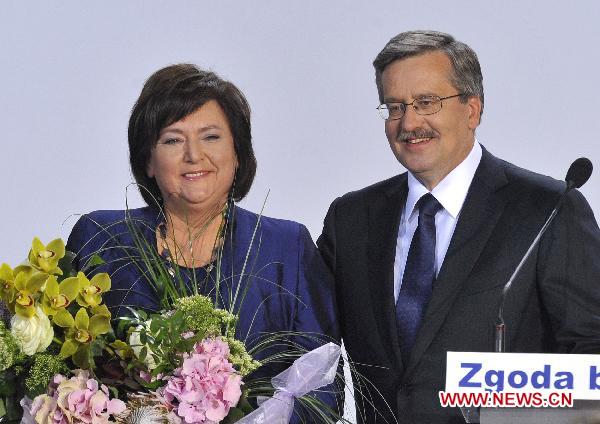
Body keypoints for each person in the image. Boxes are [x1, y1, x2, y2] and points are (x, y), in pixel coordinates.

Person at [317, 30, 600, 423]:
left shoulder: (548, 209)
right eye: (394, 107)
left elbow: (592, 351)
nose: (409, 122)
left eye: (426, 103)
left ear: (472, 109)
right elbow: (312, 349)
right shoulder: (351, 219)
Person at [67, 64, 341, 423]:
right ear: (148, 160)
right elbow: (57, 372)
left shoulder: (288, 247)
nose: (194, 155)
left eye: (211, 137)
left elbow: (322, 388)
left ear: (238, 152)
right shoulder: (101, 237)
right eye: (173, 140)